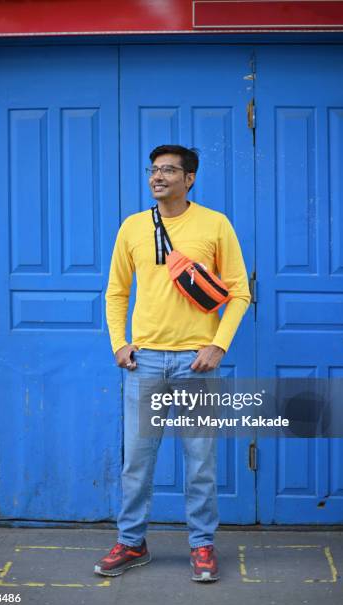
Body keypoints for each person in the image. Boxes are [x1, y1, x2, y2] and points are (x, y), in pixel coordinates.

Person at [94, 144, 251, 582]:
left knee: (200, 460)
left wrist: (218, 345)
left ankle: (202, 546)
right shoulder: (133, 227)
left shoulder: (214, 224)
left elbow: (239, 291)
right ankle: (131, 542)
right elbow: (116, 291)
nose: (157, 177)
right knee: (137, 461)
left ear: (190, 178)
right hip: (142, 363)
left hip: (196, 363)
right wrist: (118, 344)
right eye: (153, 170)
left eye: (168, 170)